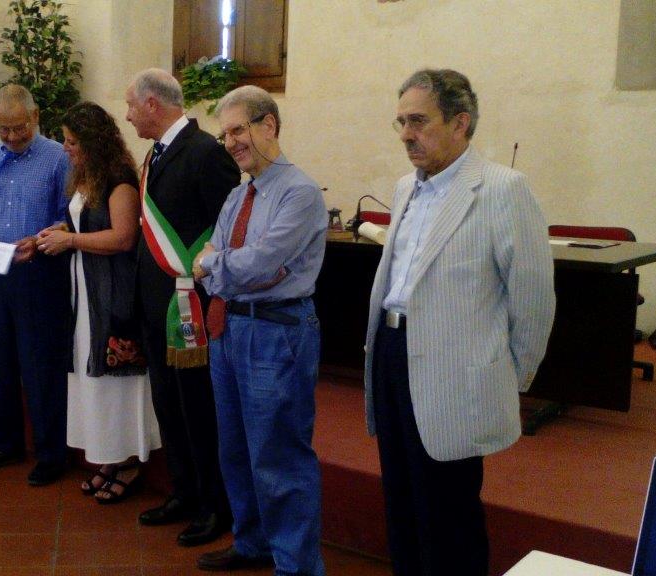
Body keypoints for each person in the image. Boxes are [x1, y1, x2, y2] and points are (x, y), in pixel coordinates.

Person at [364, 69, 556, 576]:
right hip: (391, 354)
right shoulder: (405, 188)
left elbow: (534, 300)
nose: (406, 134)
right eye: (401, 122)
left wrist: (503, 376)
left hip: (453, 375)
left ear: (460, 122)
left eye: (419, 121)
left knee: (447, 516)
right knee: (401, 502)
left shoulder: (502, 190)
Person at [193, 85, 327, 575]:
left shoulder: (300, 193)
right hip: (229, 330)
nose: (230, 143)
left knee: (279, 456)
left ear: (269, 125)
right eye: (225, 134)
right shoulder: (237, 194)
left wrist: (218, 264)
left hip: (277, 332)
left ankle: (296, 566)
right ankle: (252, 543)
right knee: (234, 449)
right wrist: (224, 265)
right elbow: (215, 258)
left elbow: (260, 263)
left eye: (238, 130)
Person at [124, 69, 239, 545]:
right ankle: (184, 491)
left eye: (131, 106)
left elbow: (227, 230)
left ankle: (215, 505)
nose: (128, 116)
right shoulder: (156, 153)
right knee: (169, 406)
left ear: (152, 104)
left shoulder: (206, 153)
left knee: (199, 410)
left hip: (191, 308)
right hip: (157, 307)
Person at [35, 101, 161, 502]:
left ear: (93, 141)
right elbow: (87, 221)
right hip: (85, 291)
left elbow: (123, 237)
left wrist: (70, 240)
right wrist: (57, 231)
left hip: (112, 294)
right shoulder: (86, 176)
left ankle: (127, 461)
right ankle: (108, 456)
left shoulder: (119, 179)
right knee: (92, 378)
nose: (66, 148)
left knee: (114, 380)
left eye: (72, 141)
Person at [0, 84, 72, 486]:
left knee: (40, 366)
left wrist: (40, 240)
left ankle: (51, 454)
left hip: (39, 274)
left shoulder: (59, 158)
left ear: (35, 116)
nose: (10, 136)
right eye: (3, 128)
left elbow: (69, 218)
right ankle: (3, 444)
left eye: (19, 128)